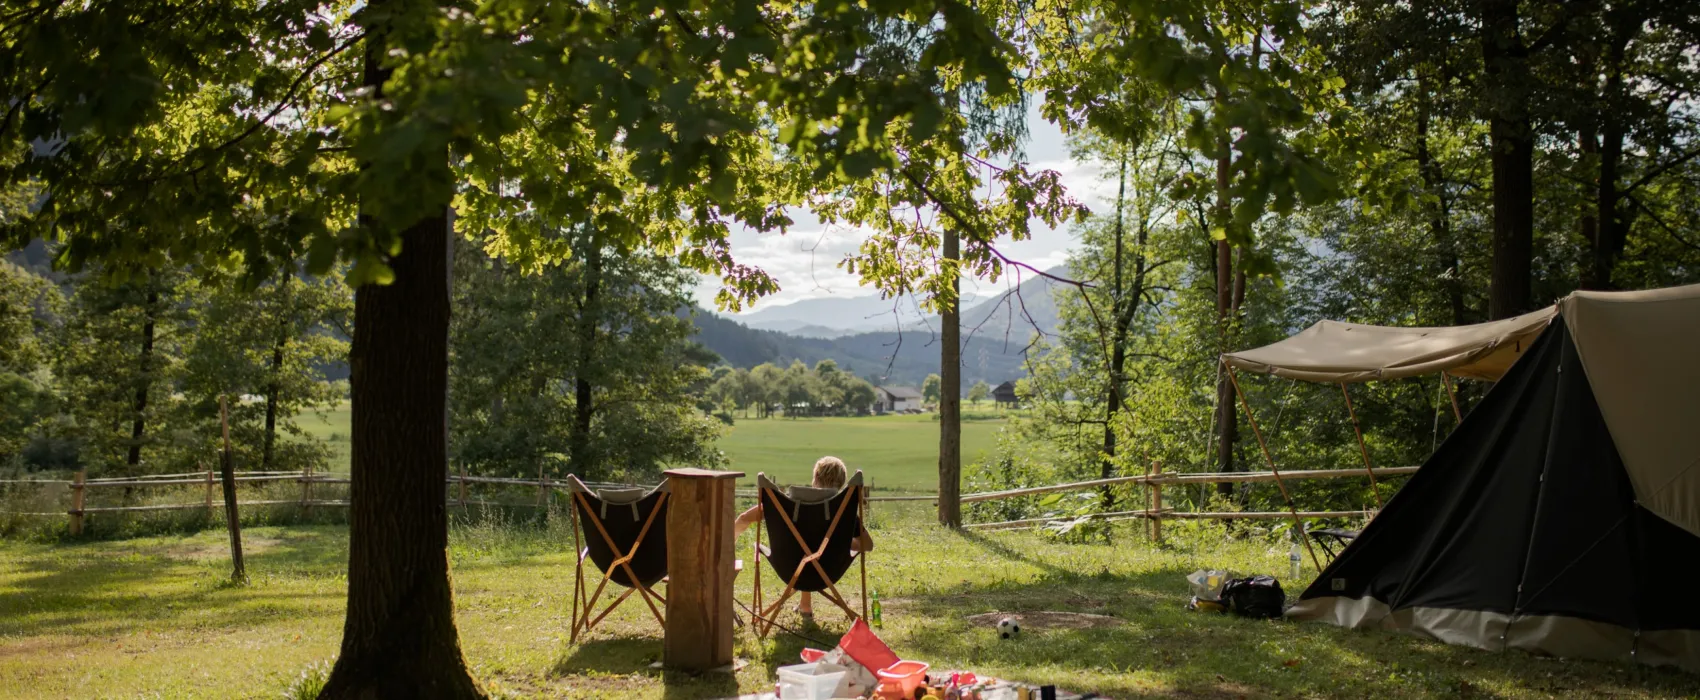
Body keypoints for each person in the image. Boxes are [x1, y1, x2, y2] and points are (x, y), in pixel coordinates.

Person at [735, 456, 874, 620]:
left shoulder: (786, 505)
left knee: (803, 546)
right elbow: (867, 544)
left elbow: (744, 518)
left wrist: (729, 542)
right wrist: (839, 541)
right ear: (842, 483)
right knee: (809, 549)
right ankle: (805, 605)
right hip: (829, 571)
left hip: (789, 568)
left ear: (815, 478)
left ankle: (805, 605)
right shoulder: (843, 510)